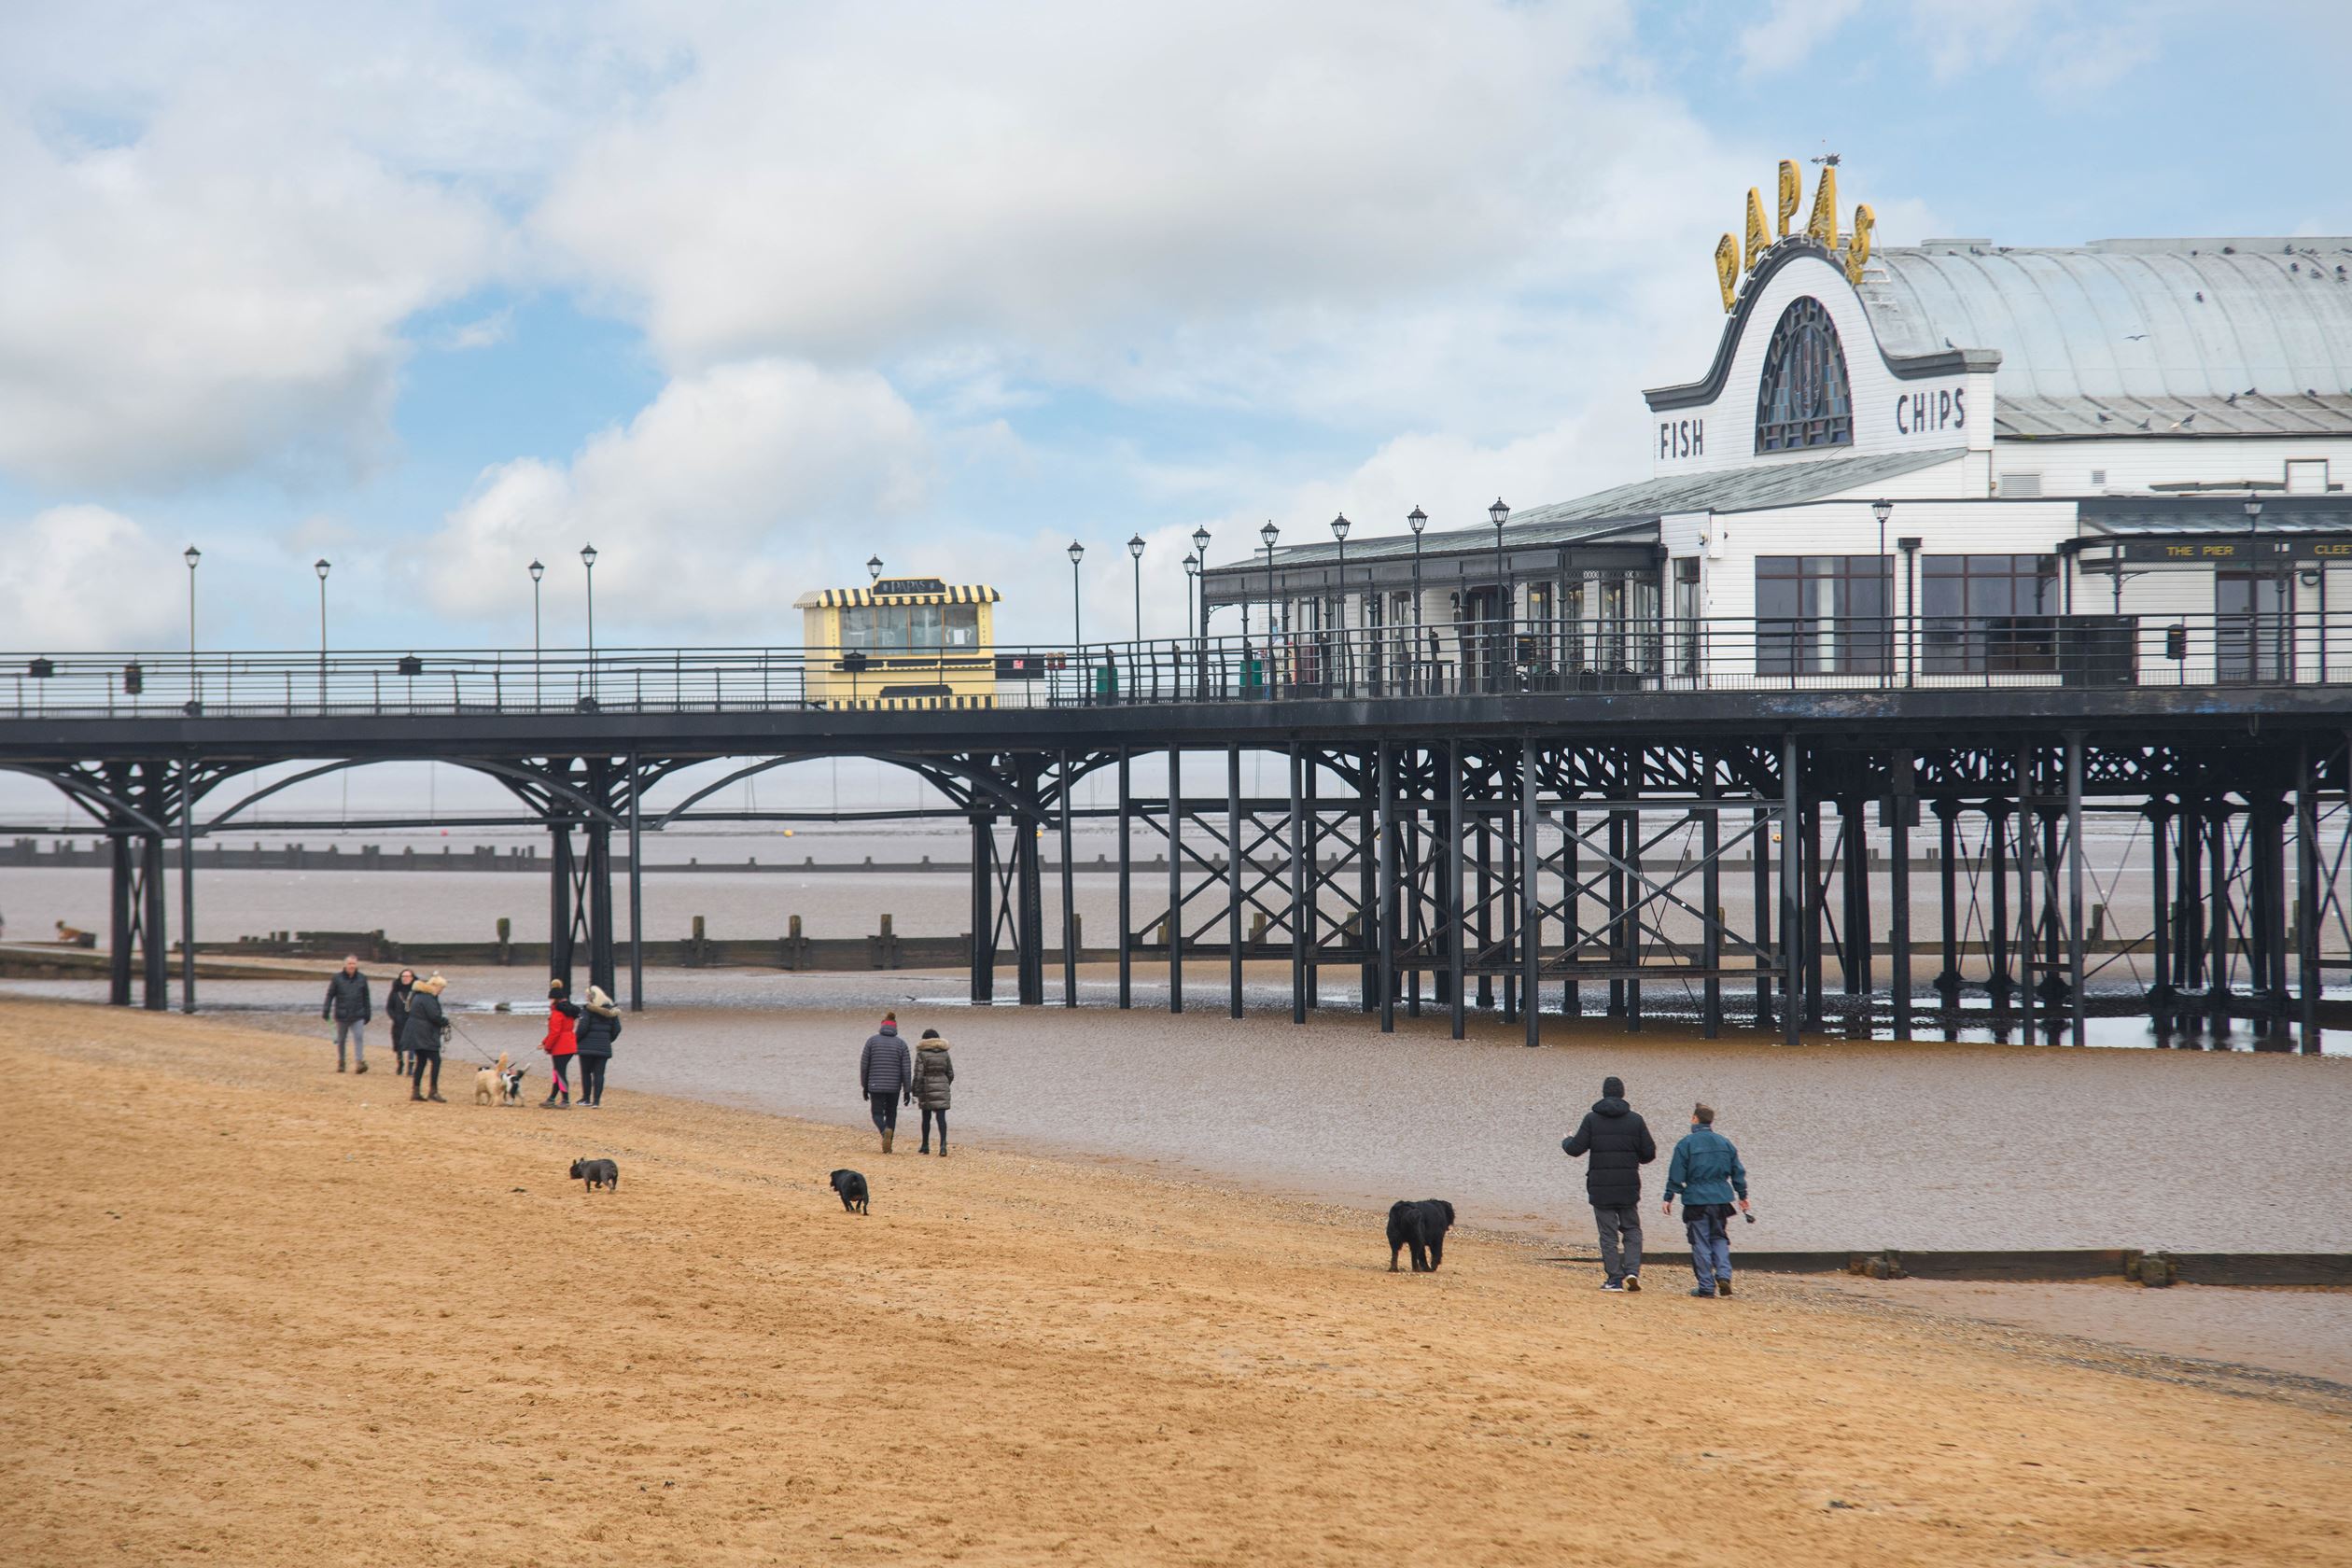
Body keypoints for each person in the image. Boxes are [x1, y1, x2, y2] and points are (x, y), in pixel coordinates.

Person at [1561, 1074, 1657, 1293]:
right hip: (1628, 1184)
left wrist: (1566, 1139)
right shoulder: (1636, 1120)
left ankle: (1615, 1279)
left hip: (1601, 1185)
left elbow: (1575, 1149)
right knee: (1632, 1228)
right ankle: (1632, 1270)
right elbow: (1649, 1154)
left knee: (1608, 1234)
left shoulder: (1592, 1119)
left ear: (1604, 1093)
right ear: (1622, 1094)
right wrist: (1633, 1157)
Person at [1662, 1102, 1750, 1299]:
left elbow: (1676, 1175)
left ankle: (1706, 1286)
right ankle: (1724, 1275)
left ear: (1695, 1119)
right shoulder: (1724, 1143)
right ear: (1711, 1121)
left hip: (1696, 1200)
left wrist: (1669, 1197)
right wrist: (1743, 1196)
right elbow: (1738, 1172)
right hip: (1721, 1199)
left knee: (1700, 1241)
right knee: (1719, 1237)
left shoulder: (1686, 1143)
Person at [858, 1012, 911, 1154]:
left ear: (882, 1026)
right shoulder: (901, 1044)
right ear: (895, 1027)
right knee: (891, 1113)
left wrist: (865, 1085)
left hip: (875, 1085)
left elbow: (864, 1066)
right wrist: (907, 1090)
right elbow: (906, 1070)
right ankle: (889, 1142)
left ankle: (883, 1131)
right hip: (894, 1087)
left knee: (877, 1113)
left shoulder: (871, 1041)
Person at [321, 955, 373, 1074]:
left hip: (358, 1014)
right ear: (345, 965)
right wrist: (326, 1009)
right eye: (349, 964)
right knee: (342, 1039)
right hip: (342, 1014)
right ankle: (341, 1062)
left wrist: (368, 1013)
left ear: (357, 965)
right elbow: (330, 995)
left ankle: (359, 1062)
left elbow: (366, 997)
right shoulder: (337, 978)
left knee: (359, 1037)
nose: (352, 966)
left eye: (354, 964)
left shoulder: (362, 978)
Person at [403, 973, 451, 1102]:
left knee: (421, 1061)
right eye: (441, 987)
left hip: (416, 1033)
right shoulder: (428, 998)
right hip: (424, 1034)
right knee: (436, 1061)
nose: (441, 990)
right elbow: (434, 1016)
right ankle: (433, 1091)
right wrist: (444, 1021)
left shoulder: (419, 995)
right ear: (434, 986)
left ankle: (416, 1091)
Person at [574, 986, 622, 1108]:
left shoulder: (587, 1010)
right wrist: (608, 1040)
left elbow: (582, 1029)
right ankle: (596, 1101)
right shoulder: (612, 1011)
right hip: (603, 1047)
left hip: (586, 1047)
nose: (586, 997)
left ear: (592, 997)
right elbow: (617, 1029)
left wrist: (575, 1040)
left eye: (587, 995)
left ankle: (586, 1099)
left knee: (586, 1072)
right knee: (599, 1074)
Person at [911, 1028, 955, 1155]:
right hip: (942, 1086)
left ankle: (925, 1145)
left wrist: (915, 1092)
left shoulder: (921, 1053)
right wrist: (945, 1084)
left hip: (926, 1087)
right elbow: (951, 1073)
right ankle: (943, 1145)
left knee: (926, 1118)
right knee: (941, 1118)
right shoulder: (945, 1053)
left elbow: (918, 1075)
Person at [540, 977, 581, 1109]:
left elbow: (555, 1032)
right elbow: (558, 1031)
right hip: (569, 1044)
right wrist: (544, 1042)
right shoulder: (567, 1011)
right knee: (558, 1072)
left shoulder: (557, 1013)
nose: (550, 1001)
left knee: (560, 1073)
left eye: (551, 999)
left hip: (561, 1047)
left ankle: (565, 1100)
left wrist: (547, 1045)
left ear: (554, 999)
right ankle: (552, 1098)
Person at [385, 968, 418, 1076]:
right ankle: (400, 1064)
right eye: (403, 976)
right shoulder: (395, 991)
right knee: (399, 1046)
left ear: (412, 978)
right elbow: (389, 1007)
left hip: (412, 1022)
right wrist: (394, 1017)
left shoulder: (416, 992)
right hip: (398, 1022)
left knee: (412, 1045)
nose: (406, 979)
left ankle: (410, 1068)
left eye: (408, 976)